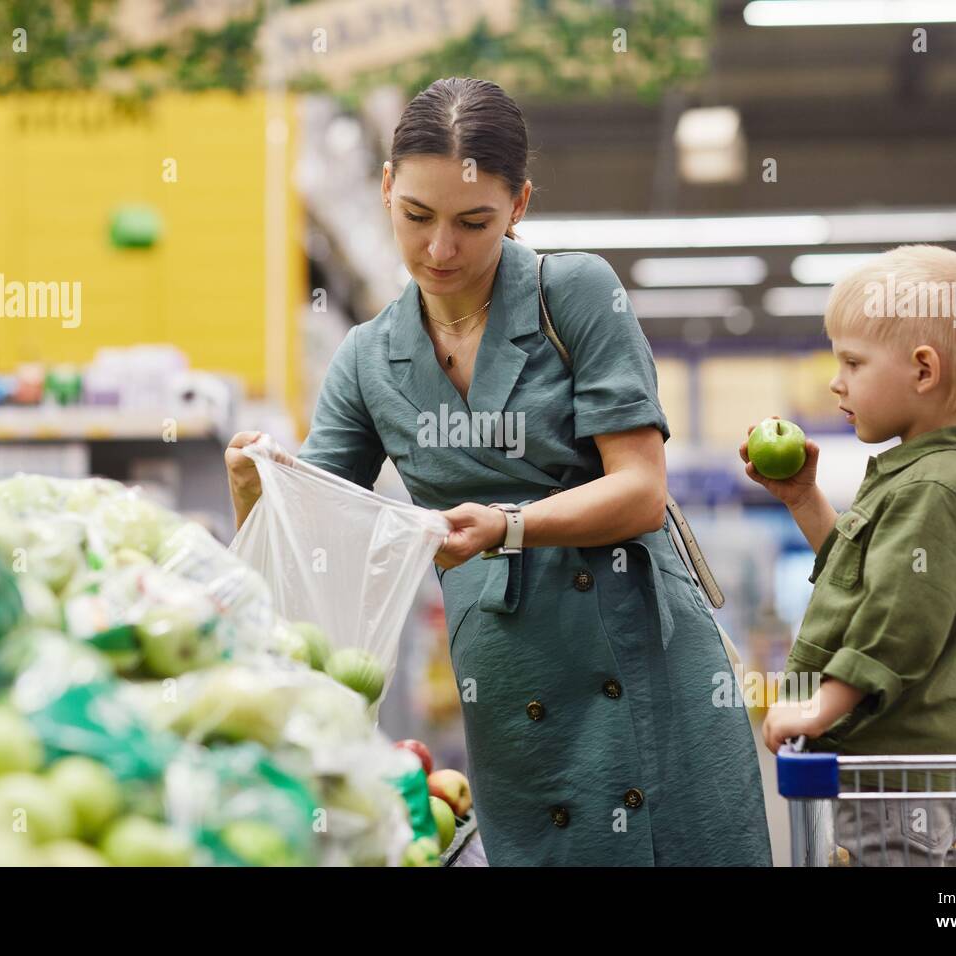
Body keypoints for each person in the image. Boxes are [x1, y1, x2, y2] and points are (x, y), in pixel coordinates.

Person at [226, 77, 771, 866]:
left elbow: (641, 492)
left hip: (641, 662)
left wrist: (508, 526)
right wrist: (258, 486)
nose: (440, 250)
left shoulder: (575, 293)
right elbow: (314, 551)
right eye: (416, 217)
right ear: (385, 189)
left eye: (472, 222)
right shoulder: (367, 360)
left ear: (518, 206)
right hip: (511, 688)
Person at [747, 244, 956, 866]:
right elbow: (867, 576)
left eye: (853, 361)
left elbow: (901, 621)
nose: (836, 381)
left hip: (900, 769)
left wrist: (821, 705)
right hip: (894, 759)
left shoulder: (931, 485)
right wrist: (804, 498)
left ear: (923, 370)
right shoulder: (920, 472)